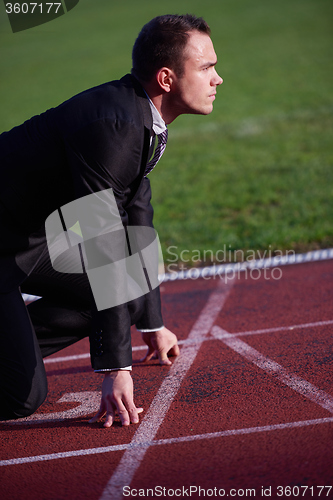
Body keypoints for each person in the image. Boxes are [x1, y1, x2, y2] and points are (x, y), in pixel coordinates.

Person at [0, 14, 223, 427]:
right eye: (207, 67)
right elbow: (105, 242)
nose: (218, 79)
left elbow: (138, 219)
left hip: (24, 240)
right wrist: (116, 368)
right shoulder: (115, 126)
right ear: (166, 78)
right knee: (20, 397)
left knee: (132, 293)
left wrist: (152, 322)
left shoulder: (141, 118)